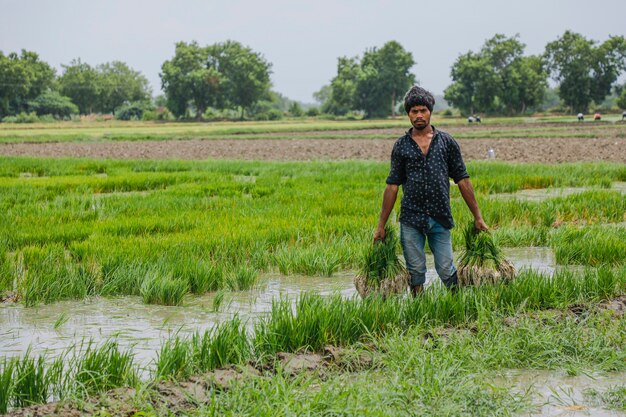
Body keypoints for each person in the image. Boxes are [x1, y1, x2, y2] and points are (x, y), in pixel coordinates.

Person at [374, 86, 488, 296]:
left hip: (440, 216)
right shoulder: (401, 146)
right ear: (408, 114)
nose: (419, 115)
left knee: (446, 269)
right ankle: (419, 307)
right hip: (411, 218)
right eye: (414, 111)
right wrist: (381, 225)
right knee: (415, 271)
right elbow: (392, 186)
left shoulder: (447, 142)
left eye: (423, 110)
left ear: (430, 112)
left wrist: (478, 217)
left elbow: (462, 180)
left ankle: (457, 306)